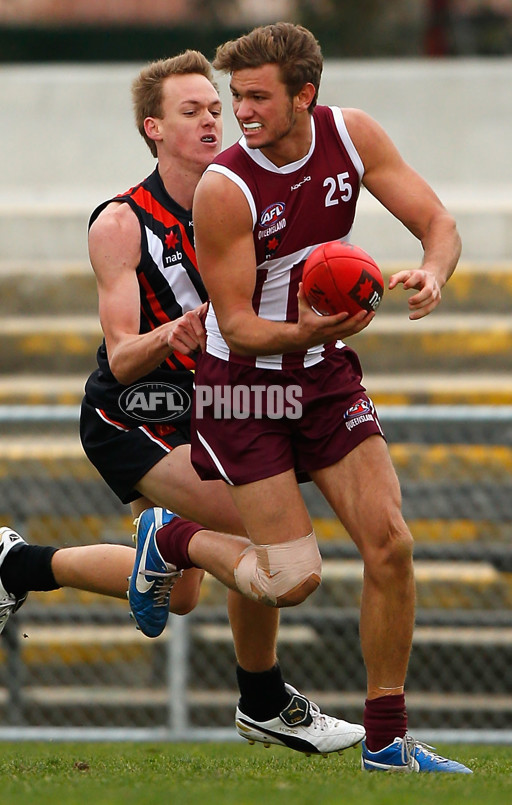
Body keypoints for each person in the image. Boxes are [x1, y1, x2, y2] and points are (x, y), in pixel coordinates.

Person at [0, 49, 364, 757]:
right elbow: (121, 355)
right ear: (154, 128)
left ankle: (21, 565)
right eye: (193, 112)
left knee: (183, 595)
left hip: (210, 404)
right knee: (260, 533)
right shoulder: (123, 223)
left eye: (215, 108)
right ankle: (263, 699)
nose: (214, 120)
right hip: (135, 410)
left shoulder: (239, 195)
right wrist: (173, 333)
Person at [126, 23, 472, 774]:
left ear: (305, 95)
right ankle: (170, 536)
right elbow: (240, 327)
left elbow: (438, 223)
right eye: (233, 97)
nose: (238, 114)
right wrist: (309, 326)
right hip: (244, 386)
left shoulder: (352, 136)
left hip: (324, 375)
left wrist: (433, 271)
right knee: (292, 578)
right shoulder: (226, 187)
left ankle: (385, 740)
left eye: (255, 97)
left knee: (392, 544)